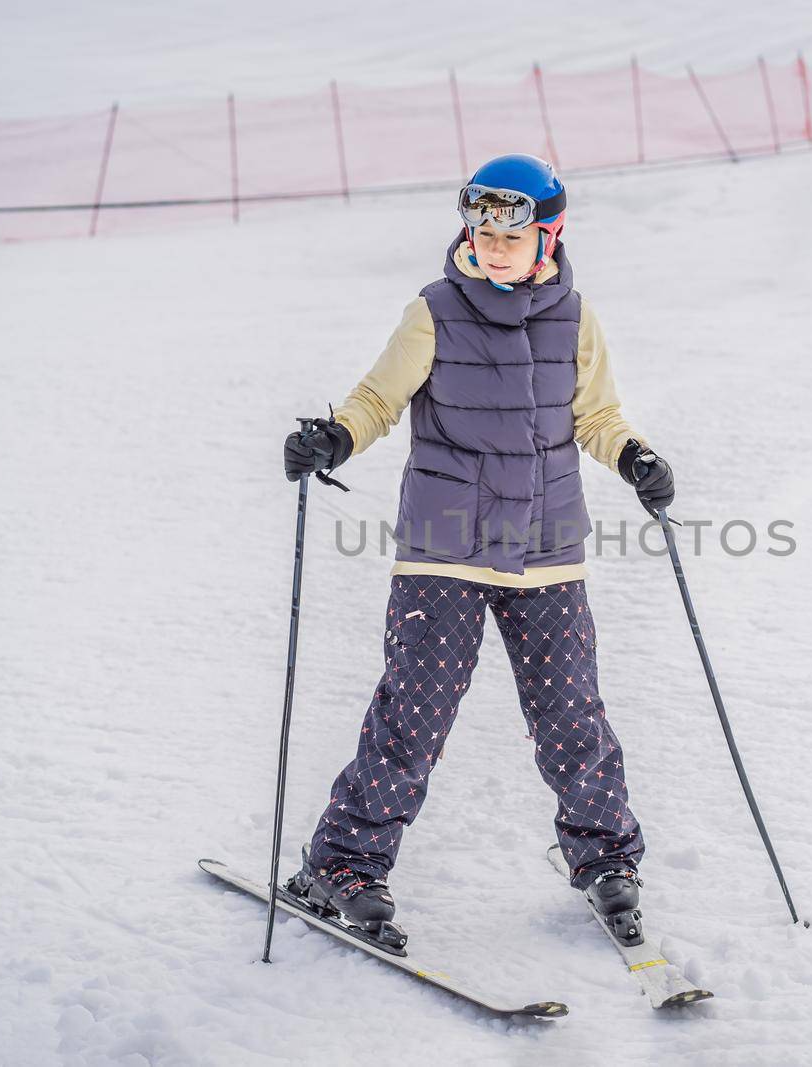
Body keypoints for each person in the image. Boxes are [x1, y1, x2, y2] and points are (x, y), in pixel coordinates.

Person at [281, 153, 675, 948]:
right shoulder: (434, 310)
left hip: (547, 547)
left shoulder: (576, 318)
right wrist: (334, 437)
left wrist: (634, 457)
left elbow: (596, 415)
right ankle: (342, 862)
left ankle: (605, 858)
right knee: (413, 716)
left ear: (547, 234)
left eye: (512, 231)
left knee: (571, 713)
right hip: (445, 548)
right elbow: (376, 399)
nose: (494, 245)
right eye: (482, 228)